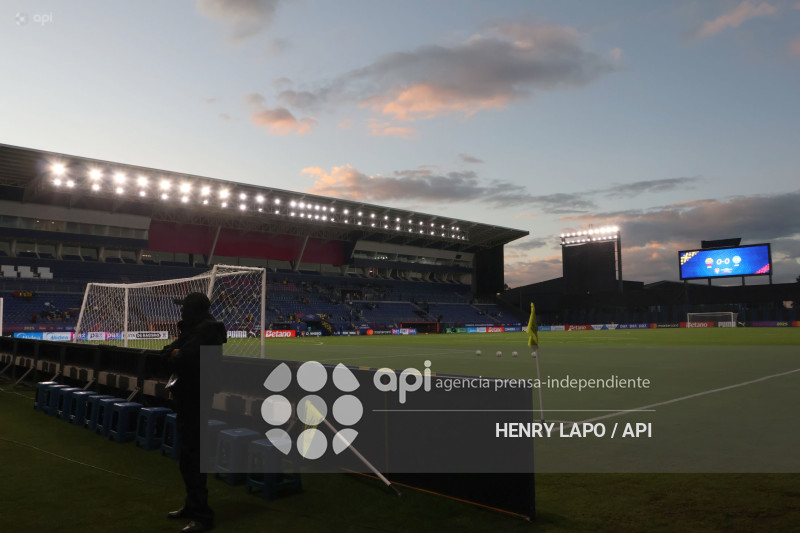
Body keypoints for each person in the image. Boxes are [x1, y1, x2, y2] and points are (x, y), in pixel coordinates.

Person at [161, 292, 226, 533]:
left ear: (193, 309)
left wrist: (174, 354)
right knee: (188, 456)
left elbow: (182, 357)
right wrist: (173, 353)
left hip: (197, 397)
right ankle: (192, 506)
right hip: (189, 397)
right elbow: (169, 352)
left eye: (184, 307)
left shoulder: (206, 331)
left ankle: (202, 516)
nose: (181, 312)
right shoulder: (195, 329)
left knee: (194, 457)